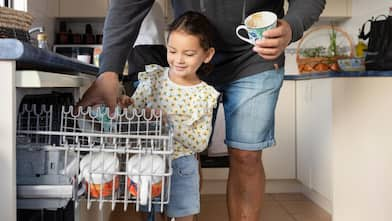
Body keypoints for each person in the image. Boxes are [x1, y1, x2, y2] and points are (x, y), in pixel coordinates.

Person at [78, 1, 326, 220]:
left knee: (246, 155)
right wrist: (109, 71)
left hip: (255, 58)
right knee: (184, 154)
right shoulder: (171, 66)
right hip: (192, 61)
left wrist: (292, 26)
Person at [117, 11, 219, 221]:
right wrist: (127, 106)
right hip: (148, 162)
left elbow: (200, 143)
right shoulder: (153, 78)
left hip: (183, 166)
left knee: (183, 217)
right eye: (172, 51)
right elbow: (134, 116)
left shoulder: (205, 94)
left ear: (207, 55)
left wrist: (167, 121)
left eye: (189, 54)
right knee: (151, 216)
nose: (178, 60)